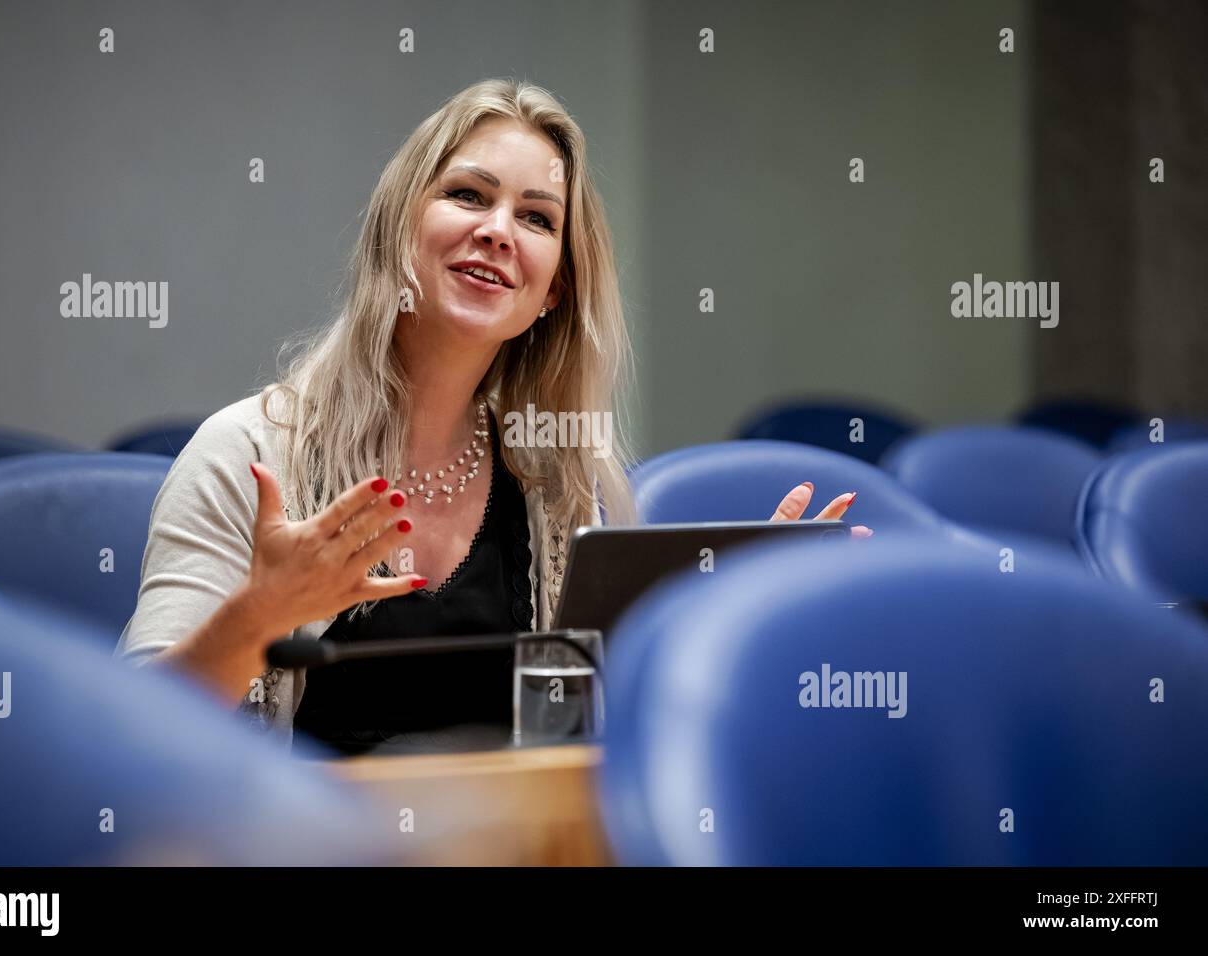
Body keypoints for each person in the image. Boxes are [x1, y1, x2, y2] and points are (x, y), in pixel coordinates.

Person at [114, 77, 868, 755]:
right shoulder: (246, 455)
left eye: (537, 218)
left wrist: (748, 624)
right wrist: (259, 617)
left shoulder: (557, 486)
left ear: (553, 292)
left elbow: (590, 747)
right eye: (469, 196)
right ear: (399, 228)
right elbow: (134, 742)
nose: (499, 230)